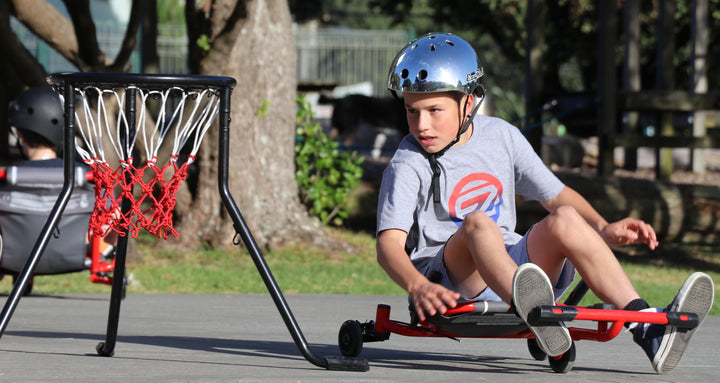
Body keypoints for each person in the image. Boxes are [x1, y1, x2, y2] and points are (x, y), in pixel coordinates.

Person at [376, 33, 714, 374]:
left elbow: (556, 195)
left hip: (515, 268)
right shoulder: (409, 163)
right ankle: (536, 311)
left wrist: (604, 228)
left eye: (435, 111)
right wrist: (418, 285)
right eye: (411, 111)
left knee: (566, 216)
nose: (422, 125)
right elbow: (388, 244)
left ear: (469, 101)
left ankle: (647, 328)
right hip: (449, 283)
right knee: (478, 222)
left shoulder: (501, 136)